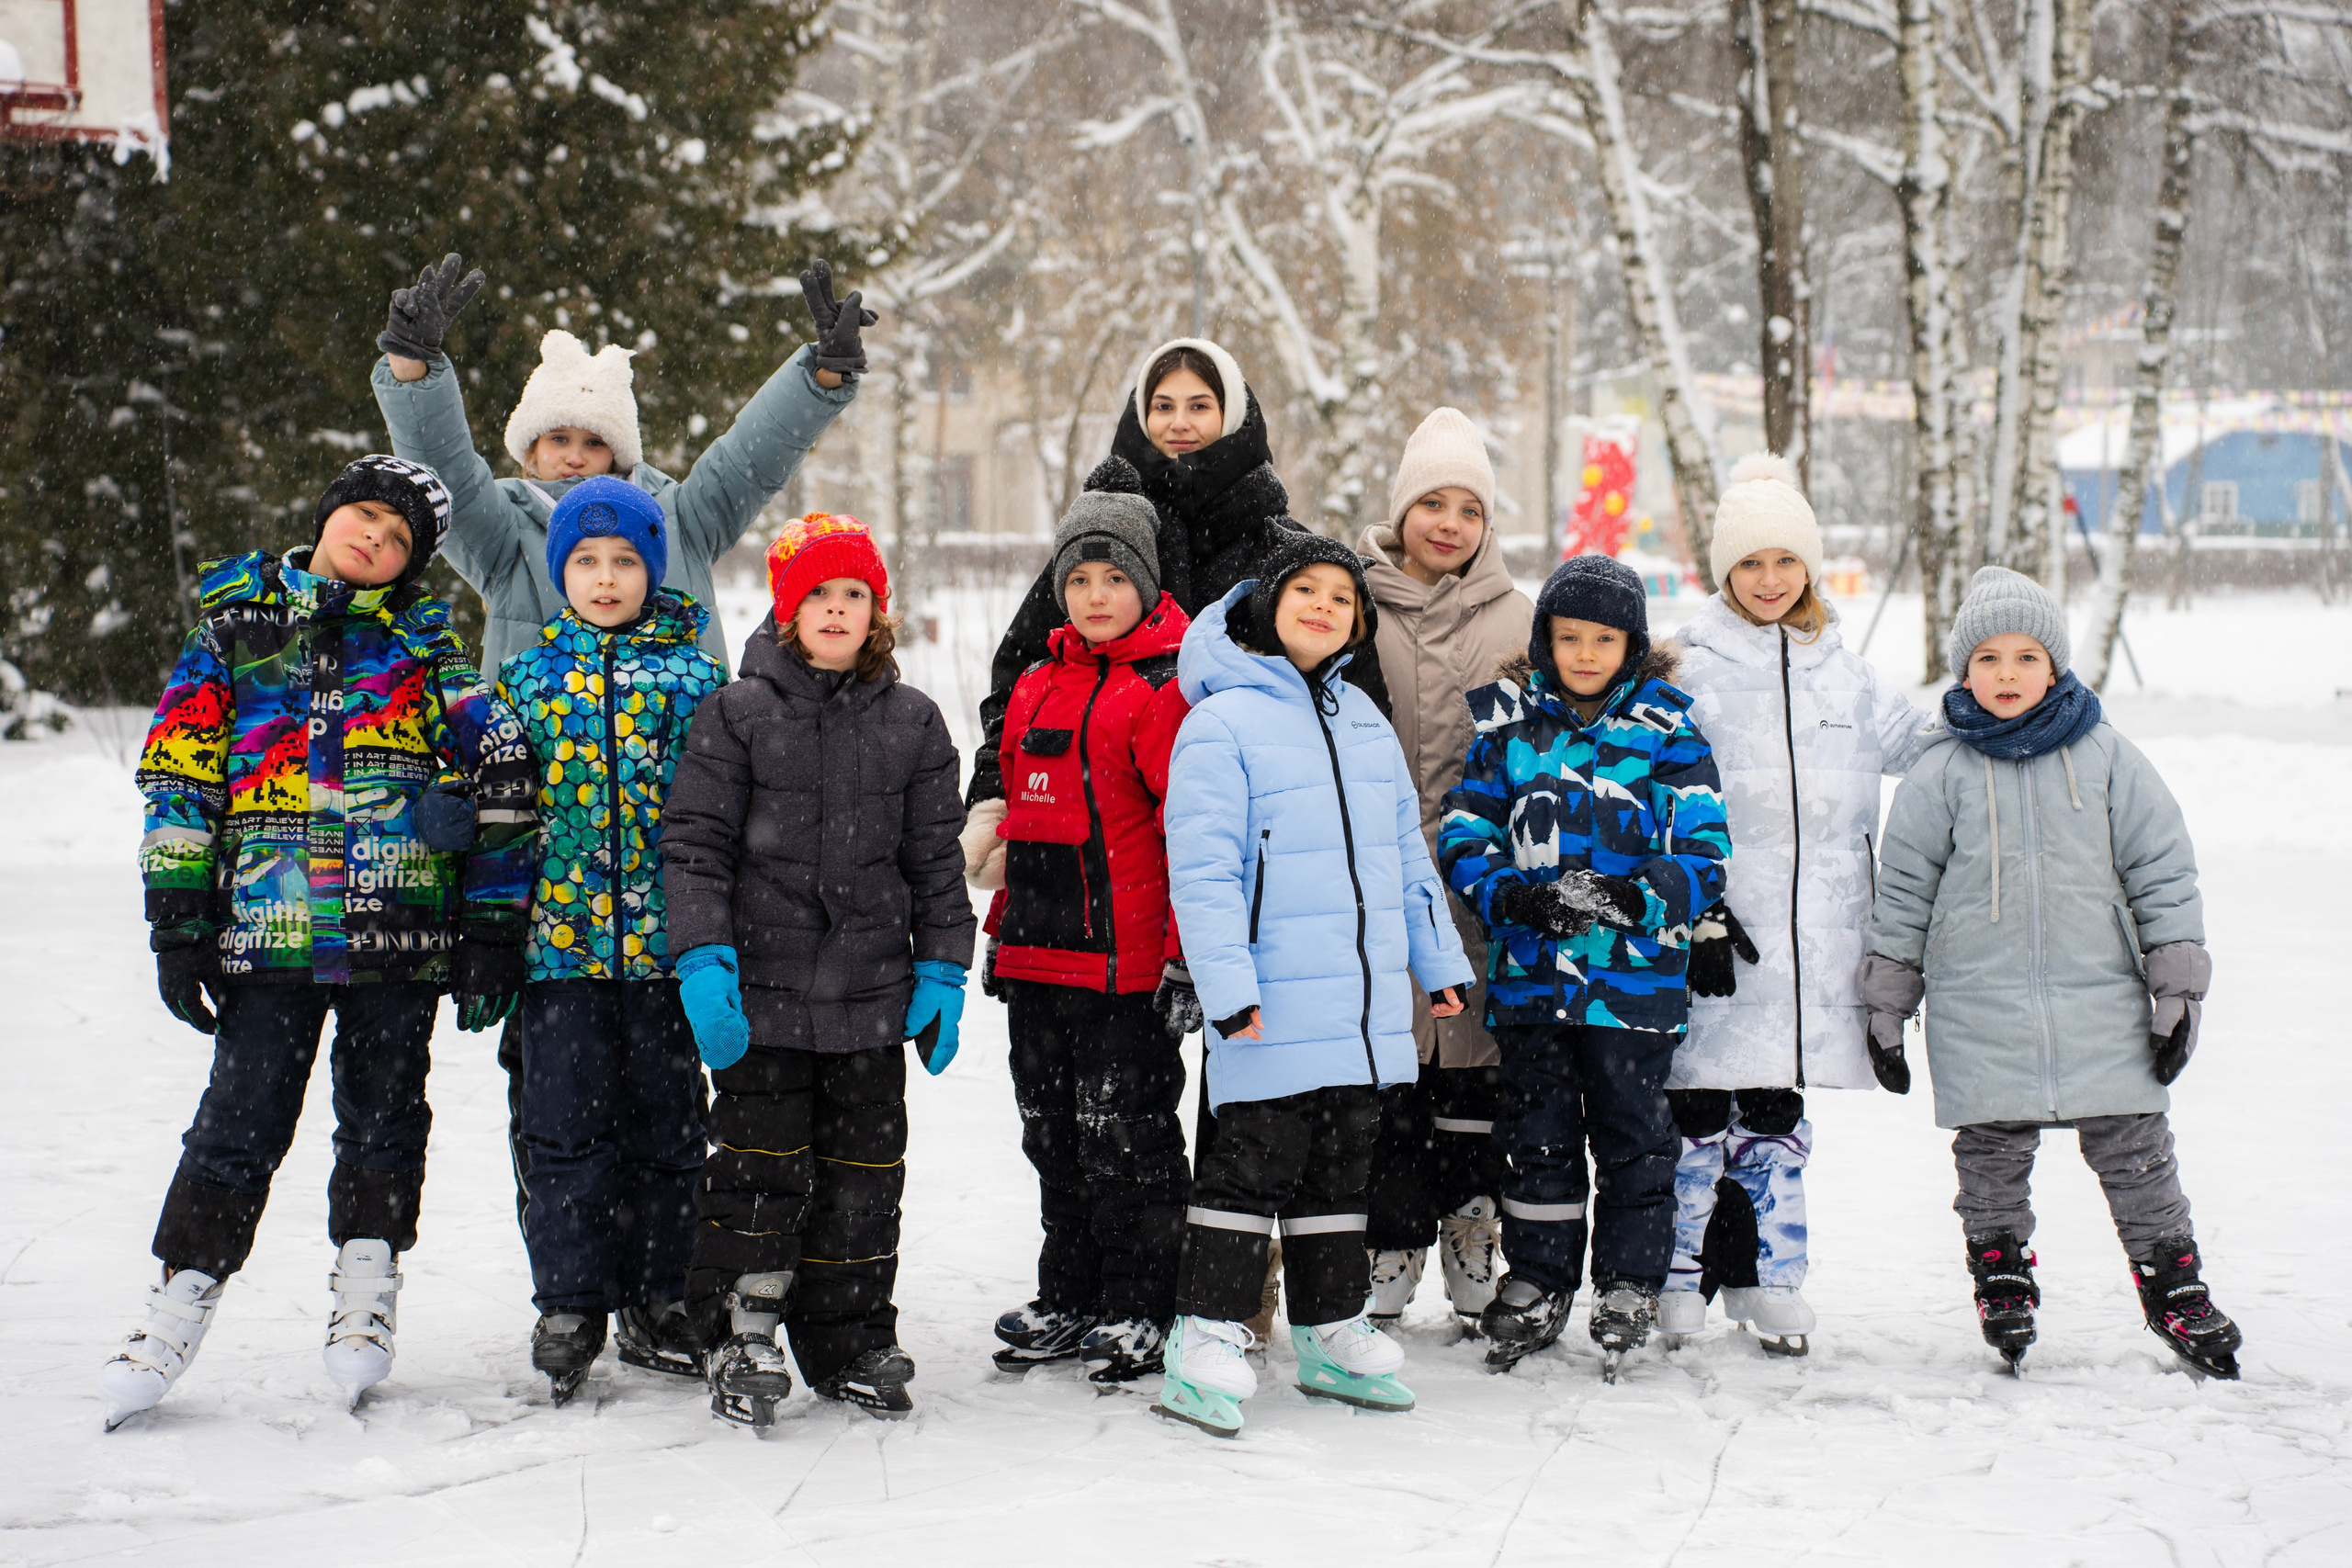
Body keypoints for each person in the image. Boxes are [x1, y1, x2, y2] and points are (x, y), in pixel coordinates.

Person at [370, 254, 873, 1234]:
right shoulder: (504, 538)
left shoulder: (682, 520)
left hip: (676, 851)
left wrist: (818, 374)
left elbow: (748, 455)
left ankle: (660, 1281)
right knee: (555, 1094)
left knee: (669, 1089)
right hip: (551, 865)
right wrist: (415, 369)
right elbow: (447, 473)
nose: (569, 456)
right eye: (551, 438)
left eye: (590, 440)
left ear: (622, 454)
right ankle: (573, 1276)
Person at [100, 457, 539, 1426]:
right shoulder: (235, 632)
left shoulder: (426, 651)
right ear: (329, 511)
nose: (374, 543)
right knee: (237, 1125)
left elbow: (506, 767)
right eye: (366, 519)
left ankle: (365, 1290)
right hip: (268, 935)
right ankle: (181, 1295)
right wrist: (177, 915)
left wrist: (489, 917)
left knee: (385, 1119)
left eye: (397, 542)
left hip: (396, 939)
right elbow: (180, 773)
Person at [1860, 566, 2241, 1378]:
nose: (2006, 674)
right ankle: (2001, 1276)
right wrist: (1888, 1003)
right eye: (1988, 658)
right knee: (1991, 1154)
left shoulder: (2108, 756)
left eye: (2026, 656)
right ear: (1963, 670)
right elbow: (1902, 892)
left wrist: (2176, 988)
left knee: (2139, 1153)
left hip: (2101, 998)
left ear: (2056, 666)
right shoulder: (1940, 770)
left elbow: (2162, 870)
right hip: (1979, 1005)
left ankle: (2175, 1285)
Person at [660, 514, 975, 1428]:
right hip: (761, 1000)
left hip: (872, 1002)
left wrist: (944, 972)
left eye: (854, 595)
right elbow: (696, 847)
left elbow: (934, 864)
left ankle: (849, 1336)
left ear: (876, 611)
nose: (837, 610)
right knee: (761, 1172)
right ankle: (743, 1327)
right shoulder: (737, 713)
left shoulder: (913, 721)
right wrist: (705, 960)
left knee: (865, 1178)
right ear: (786, 610)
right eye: (818, 596)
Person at [1155, 536, 1474, 1438]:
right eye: (1307, 589)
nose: (1326, 606)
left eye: (1343, 596)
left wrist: (1437, 962)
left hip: (1363, 999)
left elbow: (1405, 860)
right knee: (1251, 1159)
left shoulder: (1363, 720)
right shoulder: (1219, 722)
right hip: (1269, 994)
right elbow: (1204, 870)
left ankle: (1331, 1329)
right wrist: (1226, 983)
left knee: (1340, 1161)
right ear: (1265, 604)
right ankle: (1203, 1334)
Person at [1657, 454, 1930, 1355]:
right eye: (1748, 564)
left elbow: (1932, 752)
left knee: (1772, 1114)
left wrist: (2014, 702)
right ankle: (1679, 1277)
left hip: (1816, 942)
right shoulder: (1684, 672)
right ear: (1723, 573)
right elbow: (1636, 783)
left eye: (1785, 561)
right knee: (1695, 1112)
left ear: (1808, 567)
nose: (1768, 580)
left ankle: (1771, 1280)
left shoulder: (1847, 677)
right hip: (1716, 938)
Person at [1440, 554, 1731, 1378]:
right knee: (1538, 1140)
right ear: (1544, 640)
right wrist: (1514, 898)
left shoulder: (1669, 728)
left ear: (1632, 643)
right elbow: (1464, 831)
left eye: (1604, 638)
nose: (1586, 653)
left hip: (1633, 992)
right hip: (1534, 984)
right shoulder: (1507, 730)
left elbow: (1706, 848)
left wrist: (1641, 897)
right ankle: (1537, 1275)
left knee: (1636, 1139)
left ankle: (1630, 1280)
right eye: (1568, 637)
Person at [494, 478, 730, 1402]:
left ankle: (663, 1294)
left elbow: (719, 818)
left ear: (652, 570)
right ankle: (570, 1300)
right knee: (561, 1134)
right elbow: (501, 814)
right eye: (585, 562)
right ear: (561, 574)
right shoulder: (528, 681)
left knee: (670, 1134)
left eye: (624, 560)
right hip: (557, 957)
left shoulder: (696, 681)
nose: (603, 577)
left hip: (669, 956)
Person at [977, 457, 1194, 1385]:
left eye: (1114, 579)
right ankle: (1069, 1291)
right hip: (1039, 961)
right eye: (1078, 579)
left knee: (1128, 1141)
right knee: (1052, 1135)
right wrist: (1003, 929)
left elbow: (1193, 837)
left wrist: (1184, 960)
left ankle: (1144, 1301)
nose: (1095, 596)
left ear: (1145, 587)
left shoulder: (1164, 692)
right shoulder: (1034, 686)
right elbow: (1024, 821)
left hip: (1125, 972)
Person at [966, 336, 1312, 818]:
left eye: (1200, 405)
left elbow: (1327, 678)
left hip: (1249, 806)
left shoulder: (1278, 541)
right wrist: (996, 788)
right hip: (1110, 815)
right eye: (1163, 405)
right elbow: (1024, 665)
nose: (1179, 422)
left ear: (1232, 413)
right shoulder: (1107, 530)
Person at [1353, 409, 1532, 1325]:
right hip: (1377, 880)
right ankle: (1388, 1239)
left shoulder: (1518, 617)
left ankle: (1471, 1220)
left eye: (1469, 506)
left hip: (1472, 883)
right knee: (1390, 1077)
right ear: (1401, 510)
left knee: (1470, 1073)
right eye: (1431, 501)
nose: (1449, 522)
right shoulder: (1352, 601)